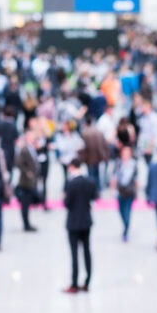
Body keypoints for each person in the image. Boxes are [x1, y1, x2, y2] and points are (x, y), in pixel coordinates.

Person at [63, 159, 98, 294]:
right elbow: (93, 197)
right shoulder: (89, 182)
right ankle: (87, 280)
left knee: (74, 254)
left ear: (72, 167)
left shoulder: (71, 184)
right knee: (87, 251)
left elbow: (67, 203)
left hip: (73, 223)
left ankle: (74, 283)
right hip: (86, 221)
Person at [111, 146, 138, 242]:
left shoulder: (133, 164)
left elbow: (136, 179)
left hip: (129, 192)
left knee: (127, 212)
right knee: (121, 211)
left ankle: (126, 230)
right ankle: (125, 225)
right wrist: (113, 190)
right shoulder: (118, 163)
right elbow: (114, 177)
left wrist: (137, 191)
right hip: (120, 191)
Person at [15, 130, 40, 233]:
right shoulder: (24, 150)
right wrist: (27, 172)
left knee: (29, 202)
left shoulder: (32, 149)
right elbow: (18, 163)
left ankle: (27, 223)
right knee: (25, 204)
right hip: (26, 182)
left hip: (32, 181)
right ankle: (26, 224)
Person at [80, 116, 109, 191]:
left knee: (91, 175)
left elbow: (82, 147)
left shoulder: (84, 133)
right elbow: (105, 144)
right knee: (97, 174)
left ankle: (92, 191)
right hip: (98, 157)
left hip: (89, 158)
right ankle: (98, 190)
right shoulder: (99, 132)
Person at [0, 106, 19, 178]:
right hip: (11, 147)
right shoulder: (13, 124)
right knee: (10, 165)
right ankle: (10, 179)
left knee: (3, 164)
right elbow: (16, 137)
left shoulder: (1, 124)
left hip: (3, 145)